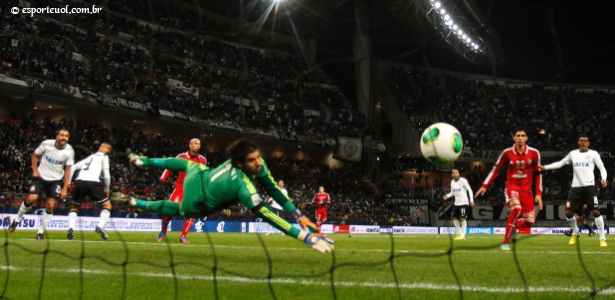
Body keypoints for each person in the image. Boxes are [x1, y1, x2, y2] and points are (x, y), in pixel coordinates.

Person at [112, 138, 333, 252]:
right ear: (239, 163)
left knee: (186, 164)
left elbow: (274, 188)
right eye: (252, 160)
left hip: (200, 173)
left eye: (258, 157)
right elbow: (266, 213)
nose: (258, 163)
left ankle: (143, 163)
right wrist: (303, 236)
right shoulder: (243, 186)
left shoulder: (257, 164)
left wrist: (297, 213)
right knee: (180, 209)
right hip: (199, 199)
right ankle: (136, 200)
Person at [475, 129, 543, 251]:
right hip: (512, 187)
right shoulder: (507, 153)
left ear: (526, 138)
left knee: (529, 222)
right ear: (514, 138)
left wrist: (538, 193)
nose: (520, 138)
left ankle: (512, 225)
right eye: (518, 136)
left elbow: (538, 173)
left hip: (527, 191)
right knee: (517, 209)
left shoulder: (534, 153)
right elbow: (496, 169)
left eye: (523, 135)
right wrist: (485, 185)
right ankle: (505, 242)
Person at [540, 134, 608, 247]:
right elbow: (561, 163)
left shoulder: (593, 154)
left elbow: (602, 167)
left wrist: (604, 178)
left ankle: (602, 238)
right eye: (581, 140)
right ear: (578, 142)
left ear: (588, 143)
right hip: (575, 188)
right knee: (568, 212)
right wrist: (545, 167)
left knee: (596, 212)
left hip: (589, 187)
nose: (583, 143)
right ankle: (576, 233)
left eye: (586, 141)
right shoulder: (573, 154)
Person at [8, 129, 75, 240]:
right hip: (41, 177)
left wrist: (65, 187)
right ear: (57, 136)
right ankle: (17, 220)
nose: (64, 138)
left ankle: (40, 232)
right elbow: (34, 155)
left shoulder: (70, 151)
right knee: (32, 198)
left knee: (51, 205)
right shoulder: (46, 144)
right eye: (62, 135)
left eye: (66, 136)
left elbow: (68, 169)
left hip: (56, 180)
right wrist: (35, 170)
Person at [158, 138, 207, 243]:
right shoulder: (181, 157)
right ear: (190, 145)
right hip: (180, 189)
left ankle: (183, 236)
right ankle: (163, 231)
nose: (198, 145)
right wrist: (162, 180)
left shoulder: (202, 160)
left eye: (199, 144)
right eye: (195, 143)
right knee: (168, 210)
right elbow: (169, 166)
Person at [67, 143, 112, 240]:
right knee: (107, 205)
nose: (108, 151)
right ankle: (100, 226)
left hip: (80, 182)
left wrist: (68, 183)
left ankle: (71, 228)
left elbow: (73, 167)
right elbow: (107, 175)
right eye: (108, 149)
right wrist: (107, 188)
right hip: (93, 183)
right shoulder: (104, 157)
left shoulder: (90, 157)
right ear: (107, 150)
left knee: (75, 207)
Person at [443, 169, 474, 240]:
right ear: (452, 175)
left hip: (464, 202)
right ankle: (459, 233)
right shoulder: (452, 182)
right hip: (456, 203)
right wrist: (447, 196)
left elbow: (469, 190)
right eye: (453, 173)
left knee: (462, 218)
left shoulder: (463, 181)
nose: (455, 174)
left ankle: (463, 235)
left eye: (456, 172)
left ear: (459, 174)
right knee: (453, 218)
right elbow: (452, 192)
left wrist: (471, 200)